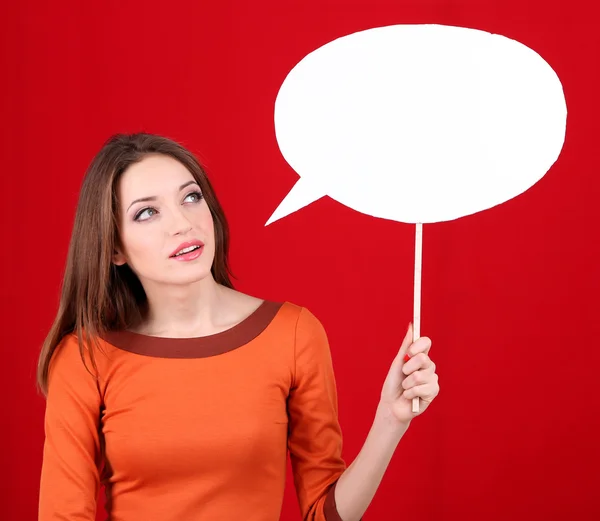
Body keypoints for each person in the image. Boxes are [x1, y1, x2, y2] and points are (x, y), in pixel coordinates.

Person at [37, 132, 440, 521]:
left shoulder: (293, 333)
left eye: (191, 197)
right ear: (114, 248)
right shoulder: (84, 358)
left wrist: (390, 422)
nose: (182, 223)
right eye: (147, 212)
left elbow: (324, 514)